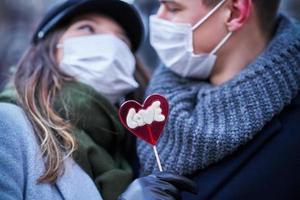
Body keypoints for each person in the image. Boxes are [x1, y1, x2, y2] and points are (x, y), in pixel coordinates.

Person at [0, 0, 197, 200]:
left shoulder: (135, 151)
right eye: (87, 28)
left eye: (122, 40)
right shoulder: (7, 123)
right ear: (51, 46)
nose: (109, 45)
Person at [138, 0, 300, 199]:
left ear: (235, 13)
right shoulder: (151, 99)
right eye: (159, 6)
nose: (158, 18)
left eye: (173, 8)